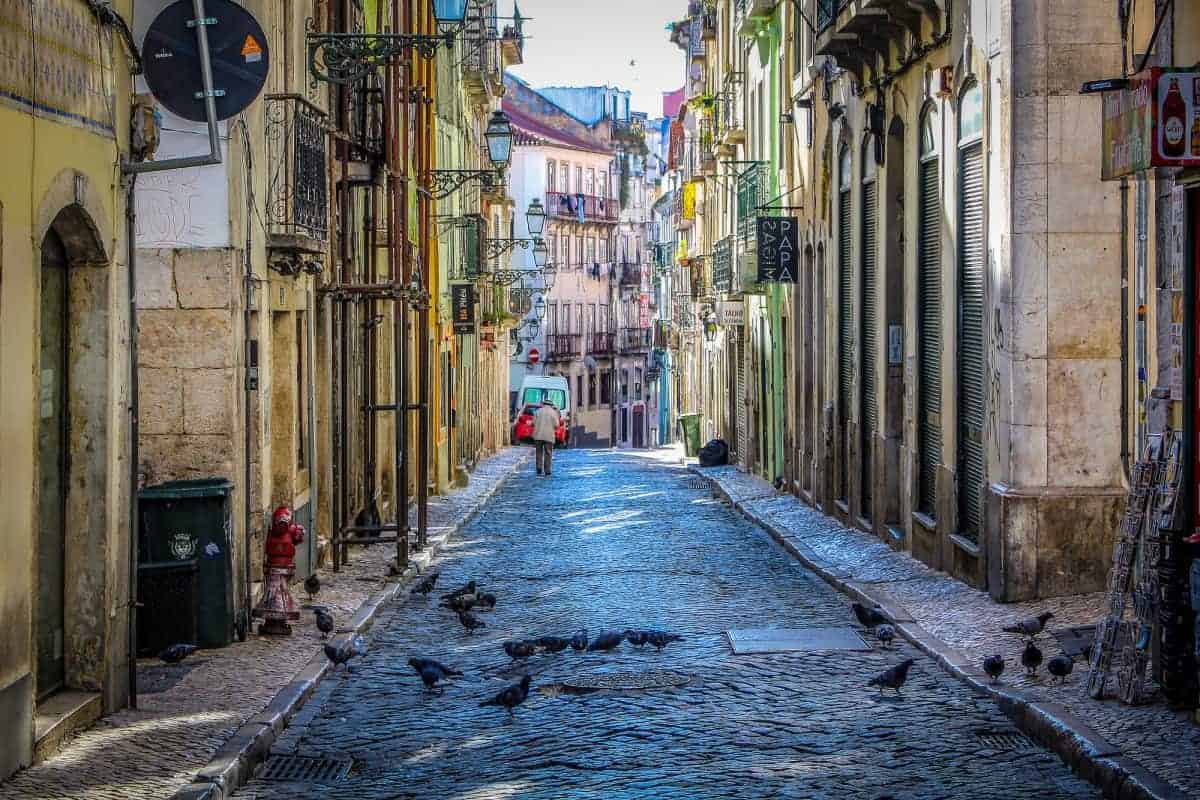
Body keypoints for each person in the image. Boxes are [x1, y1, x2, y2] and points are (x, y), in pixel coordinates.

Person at [532, 401, 561, 477]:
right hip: (549, 436)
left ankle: (539, 468)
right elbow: (557, 425)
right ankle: (547, 470)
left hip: (538, 435)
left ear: (543, 404)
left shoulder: (537, 412)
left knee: (539, 452)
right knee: (548, 453)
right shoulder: (553, 413)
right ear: (551, 405)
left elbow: (533, 423)